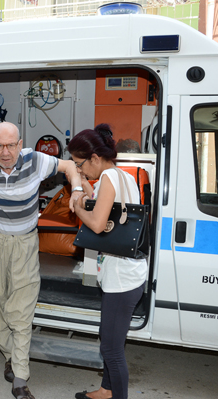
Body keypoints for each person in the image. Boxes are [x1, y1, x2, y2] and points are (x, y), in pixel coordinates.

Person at [0, 122, 83, 399]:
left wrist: (75, 189)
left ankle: (20, 377)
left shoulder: (36, 160)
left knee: (21, 311)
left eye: (11, 145)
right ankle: (10, 355)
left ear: (20, 144)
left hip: (26, 243)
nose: (6, 152)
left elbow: (70, 167)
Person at [67, 124, 148, 399]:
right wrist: (83, 191)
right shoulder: (122, 176)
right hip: (126, 273)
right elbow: (102, 201)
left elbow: (99, 225)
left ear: (94, 158)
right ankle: (106, 390)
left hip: (122, 278)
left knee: (111, 348)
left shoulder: (110, 178)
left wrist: (77, 207)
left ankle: (117, 395)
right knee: (111, 338)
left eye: (79, 165)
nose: (78, 171)